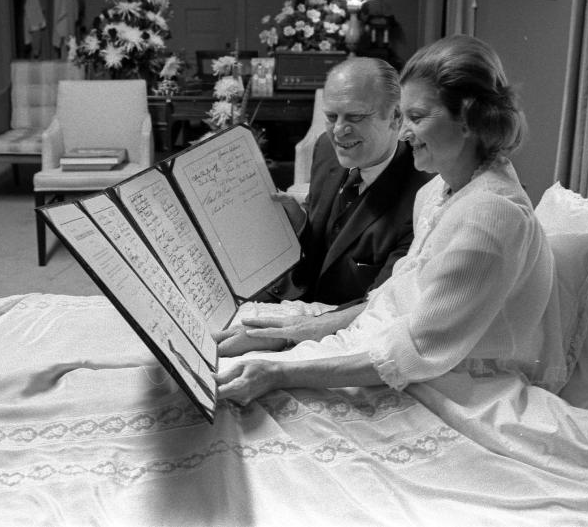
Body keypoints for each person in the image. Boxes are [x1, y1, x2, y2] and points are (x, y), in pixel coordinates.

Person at [216, 35, 567, 406]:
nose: (402, 132)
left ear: (468, 119)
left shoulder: (491, 216)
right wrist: (289, 333)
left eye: (415, 118)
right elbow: (390, 301)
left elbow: (416, 352)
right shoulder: (438, 192)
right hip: (385, 346)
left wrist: (279, 371)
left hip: (457, 386)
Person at [214, 57, 430, 355]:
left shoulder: (424, 194)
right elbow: (324, 244)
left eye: (355, 117)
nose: (339, 132)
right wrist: (300, 222)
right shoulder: (326, 150)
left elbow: (384, 305)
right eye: (331, 117)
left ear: (395, 117)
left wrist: (281, 336)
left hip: (336, 325)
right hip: (284, 295)